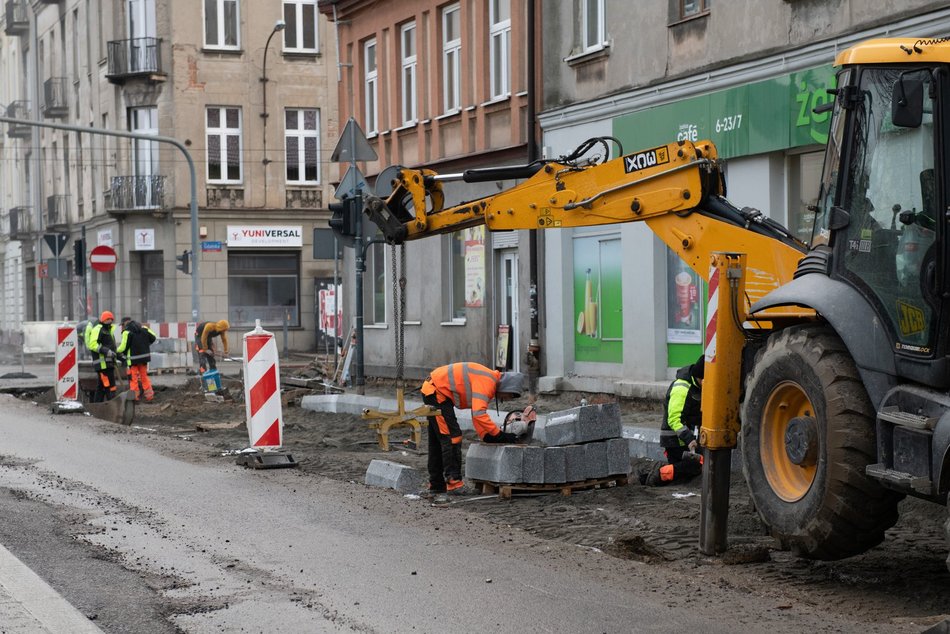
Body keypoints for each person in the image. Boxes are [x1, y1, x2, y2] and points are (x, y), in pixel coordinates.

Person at [420, 363, 527, 501]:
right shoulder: (488, 382)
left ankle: (436, 485)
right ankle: (454, 484)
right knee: (453, 438)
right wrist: (498, 435)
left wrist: (486, 435)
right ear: (507, 387)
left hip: (432, 389)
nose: (505, 399)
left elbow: (477, 415)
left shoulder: (488, 379)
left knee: (437, 440)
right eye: (509, 396)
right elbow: (479, 414)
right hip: (437, 392)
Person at [641, 355, 705, 486]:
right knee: (694, 466)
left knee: (693, 467)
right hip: (674, 440)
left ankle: (652, 475)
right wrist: (689, 439)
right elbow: (675, 419)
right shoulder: (682, 388)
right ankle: (658, 474)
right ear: (701, 378)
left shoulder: (696, 386)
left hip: (683, 439)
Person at [117, 319, 157, 402]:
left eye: (122, 325)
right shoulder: (144, 328)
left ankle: (135, 397)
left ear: (125, 324)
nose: (122, 327)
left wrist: (116, 351)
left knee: (133, 378)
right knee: (144, 377)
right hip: (144, 358)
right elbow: (153, 337)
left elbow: (123, 347)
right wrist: (145, 345)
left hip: (133, 360)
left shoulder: (126, 332)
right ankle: (149, 396)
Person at [86, 311, 119, 402]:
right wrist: (106, 351)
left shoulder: (109, 331)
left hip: (108, 364)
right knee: (108, 385)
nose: (109, 321)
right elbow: (92, 344)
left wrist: (117, 356)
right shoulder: (98, 329)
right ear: (103, 319)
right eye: (107, 319)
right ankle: (111, 404)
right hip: (102, 364)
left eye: (111, 319)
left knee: (103, 386)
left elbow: (112, 347)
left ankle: (98, 405)